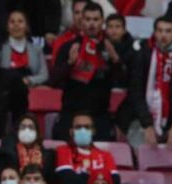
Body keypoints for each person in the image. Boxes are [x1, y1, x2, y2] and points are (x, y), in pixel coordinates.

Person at [51, 2, 122, 142]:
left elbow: (122, 80)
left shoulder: (110, 47)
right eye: (88, 19)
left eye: (95, 20)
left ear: (102, 21)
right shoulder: (69, 47)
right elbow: (55, 81)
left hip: (99, 115)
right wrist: (70, 64)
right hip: (71, 113)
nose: (91, 24)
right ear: (81, 21)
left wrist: (115, 60)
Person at [119, 16, 172, 149]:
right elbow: (135, 91)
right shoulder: (141, 54)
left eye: (168, 31)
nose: (163, 35)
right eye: (159, 31)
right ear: (154, 33)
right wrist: (147, 124)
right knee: (141, 147)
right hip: (140, 118)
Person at [54, 112, 120, 184]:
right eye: (78, 127)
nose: (83, 130)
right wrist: (98, 183)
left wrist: (82, 179)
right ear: (71, 131)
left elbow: (115, 183)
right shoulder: (63, 151)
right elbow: (69, 182)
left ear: (93, 131)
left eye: (87, 127)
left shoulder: (106, 155)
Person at [0, 114, 57, 184]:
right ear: (17, 131)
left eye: (31, 127)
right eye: (23, 127)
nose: (26, 130)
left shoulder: (47, 156)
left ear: (37, 132)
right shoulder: (6, 154)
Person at [0, 10, 49, 87]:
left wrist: (28, 80)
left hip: (31, 88)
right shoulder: (0, 48)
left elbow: (44, 75)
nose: (16, 24)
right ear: (7, 27)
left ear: (27, 27)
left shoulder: (37, 49)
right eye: (12, 22)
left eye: (20, 21)